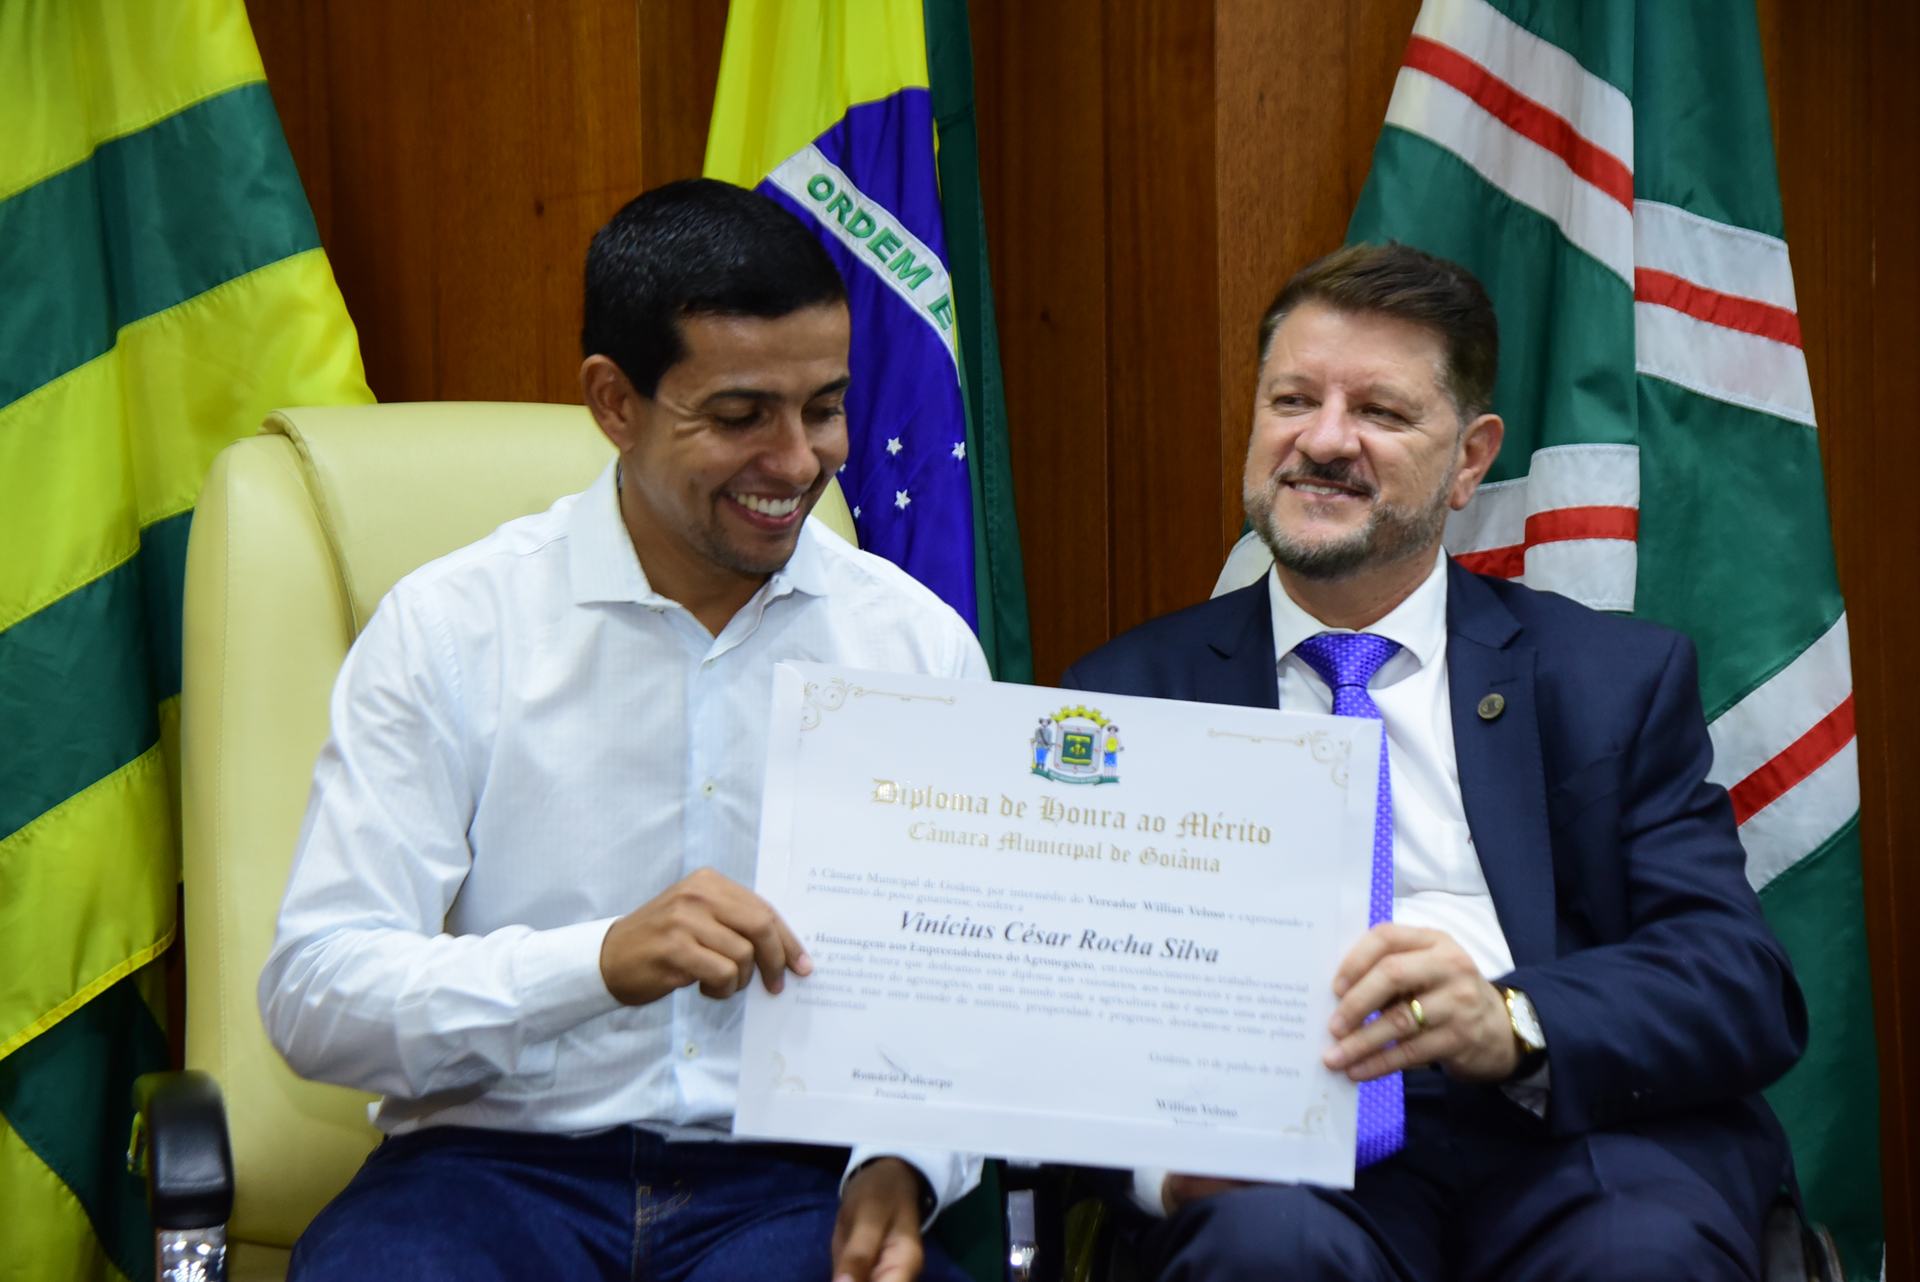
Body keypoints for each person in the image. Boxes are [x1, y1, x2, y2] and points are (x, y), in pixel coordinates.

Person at [260, 179, 988, 1282]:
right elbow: (317, 997)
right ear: (614, 402)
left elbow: (963, 990)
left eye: (824, 408)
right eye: (741, 417)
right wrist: (596, 962)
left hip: (790, 1188)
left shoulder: (914, 648)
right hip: (487, 1171)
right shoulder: (452, 626)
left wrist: (903, 1163)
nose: (799, 462)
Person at [1060, 243, 1807, 1281]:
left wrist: (1515, 1020)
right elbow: (1063, 1006)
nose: (1324, 440)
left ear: (1469, 460)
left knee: (1637, 1257)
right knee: (1259, 1252)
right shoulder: (1127, 700)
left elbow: (1735, 981)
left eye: (1380, 410)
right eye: (1293, 400)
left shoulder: (1608, 679)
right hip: (1288, 1150)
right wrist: (1163, 1174)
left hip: (1578, 1132)